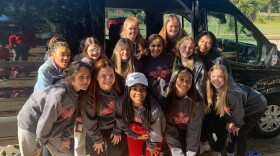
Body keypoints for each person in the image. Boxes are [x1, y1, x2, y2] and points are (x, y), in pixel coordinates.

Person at [17, 61, 92, 156]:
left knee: (65, 153)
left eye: (88, 77)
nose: (86, 81)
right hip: (32, 122)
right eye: (81, 77)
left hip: (52, 127)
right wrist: (40, 145)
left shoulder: (77, 93)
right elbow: (45, 121)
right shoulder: (59, 96)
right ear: (71, 78)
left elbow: (70, 120)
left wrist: (65, 138)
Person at [205, 64, 267, 156]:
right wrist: (230, 120)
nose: (216, 80)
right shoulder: (212, 89)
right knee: (228, 127)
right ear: (209, 77)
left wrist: (235, 123)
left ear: (225, 78)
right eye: (213, 76)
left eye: (220, 76)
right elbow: (227, 109)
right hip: (241, 105)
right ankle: (229, 151)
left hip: (256, 105)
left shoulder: (233, 93)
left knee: (240, 132)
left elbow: (238, 111)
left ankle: (241, 154)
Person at [81, 59, 128, 156]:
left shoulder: (120, 90)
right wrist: (97, 139)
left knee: (118, 151)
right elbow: (89, 121)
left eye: (111, 75)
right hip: (97, 129)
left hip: (115, 126)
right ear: (96, 77)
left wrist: (117, 130)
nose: (108, 79)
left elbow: (124, 113)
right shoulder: (90, 96)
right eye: (103, 76)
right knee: (98, 151)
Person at [197, 31, 233, 154]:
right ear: (197, 41)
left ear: (212, 45)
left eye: (208, 42)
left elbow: (228, 80)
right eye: (202, 41)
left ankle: (218, 148)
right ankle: (204, 142)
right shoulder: (194, 55)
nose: (204, 45)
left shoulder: (219, 59)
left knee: (218, 121)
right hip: (201, 95)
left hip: (216, 95)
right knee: (204, 120)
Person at [115, 72, 166, 156]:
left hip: (152, 134)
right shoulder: (121, 103)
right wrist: (135, 136)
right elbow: (120, 120)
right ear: (128, 90)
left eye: (142, 89)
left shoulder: (153, 109)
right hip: (133, 130)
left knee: (152, 153)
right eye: (134, 88)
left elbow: (157, 130)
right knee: (134, 153)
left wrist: (151, 145)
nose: (138, 92)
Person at [163, 66, 204, 156]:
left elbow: (194, 131)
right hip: (172, 139)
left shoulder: (197, 102)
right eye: (181, 79)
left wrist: (191, 153)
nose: (185, 83)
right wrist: (178, 153)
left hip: (190, 137)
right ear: (174, 79)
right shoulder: (165, 99)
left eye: (189, 80)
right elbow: (169, 129)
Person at [140, 34, 173, 99]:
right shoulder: (144, 59)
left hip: (167, 95)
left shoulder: (169, 58)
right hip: (151, 96)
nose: (156, 48)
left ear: (163, 46)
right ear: (148, 46)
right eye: (153, 46)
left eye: (159, 46)